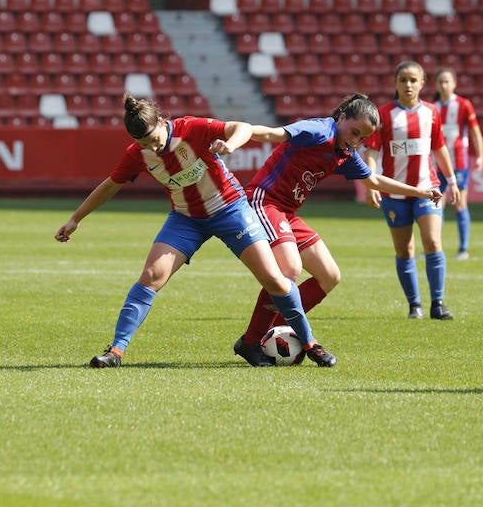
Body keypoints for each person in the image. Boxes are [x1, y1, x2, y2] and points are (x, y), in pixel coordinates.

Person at [55, 94, 337, 368]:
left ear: (162, 123)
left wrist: (232, 145)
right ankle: (116, 350)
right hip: (186, 219)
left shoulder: (191, 128)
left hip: (230, 210)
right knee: (152, 275)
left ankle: (310, 343)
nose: (151, 149)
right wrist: (76, 219)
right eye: (143, 144)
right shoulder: (138, 153)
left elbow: (242, 128)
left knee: (276, 280)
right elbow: (110, 185)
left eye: (153, 140)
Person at [233, 93, 444, 366]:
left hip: (287, 212)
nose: (355, 141)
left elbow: (374, 180)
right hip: (265, 200)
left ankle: (266, 334)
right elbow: (275, 134)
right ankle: (262, 342)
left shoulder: (345, 153)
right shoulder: (320, 131)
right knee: (290, 269)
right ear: (341, 117)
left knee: (329, 275)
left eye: (362, 139)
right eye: (354, 132)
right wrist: (239, 133)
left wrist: (420, 192)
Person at [363, 61, 461, 321]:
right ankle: (414, 305)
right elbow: (371, 152)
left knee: (432, 241)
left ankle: (438, 303)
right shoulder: (383, 114)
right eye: (403, 80)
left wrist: (451, 180)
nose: (408, 84)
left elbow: (439, 148)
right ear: (396, 83)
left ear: (422, 83)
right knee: (405, 250)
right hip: (393, 194)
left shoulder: (431, 112)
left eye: (413, 80)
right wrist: (370, 182)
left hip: (428, 189)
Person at [433, 67, 483, 260]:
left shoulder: (463, 105)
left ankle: (463, 248)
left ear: (454, 83)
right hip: (437, 164)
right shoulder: (432, 108)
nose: (444, 85)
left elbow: (475, 132)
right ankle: (434, 248)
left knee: (460, 204)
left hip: (459, 162)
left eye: (447, 81)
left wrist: (480, 155)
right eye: (440, 82)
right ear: (436, 85)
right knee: (436, 206)